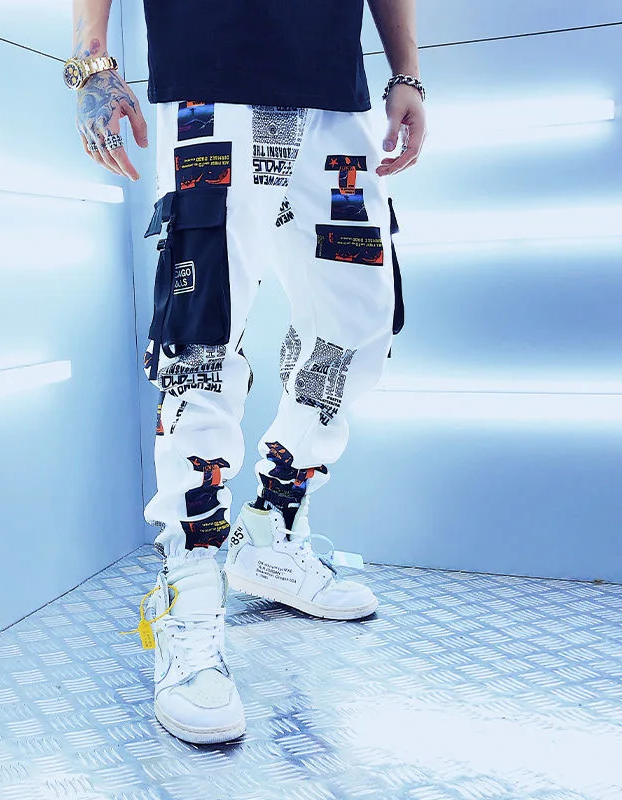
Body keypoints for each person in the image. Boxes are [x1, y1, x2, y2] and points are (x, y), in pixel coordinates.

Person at [67, 0, 426, 745]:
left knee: (358, 325)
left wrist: (407, 72)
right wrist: (92, 60)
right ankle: (190, 586)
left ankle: (270, 531)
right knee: (204, 338)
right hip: (212, 71)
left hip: (334, 90)